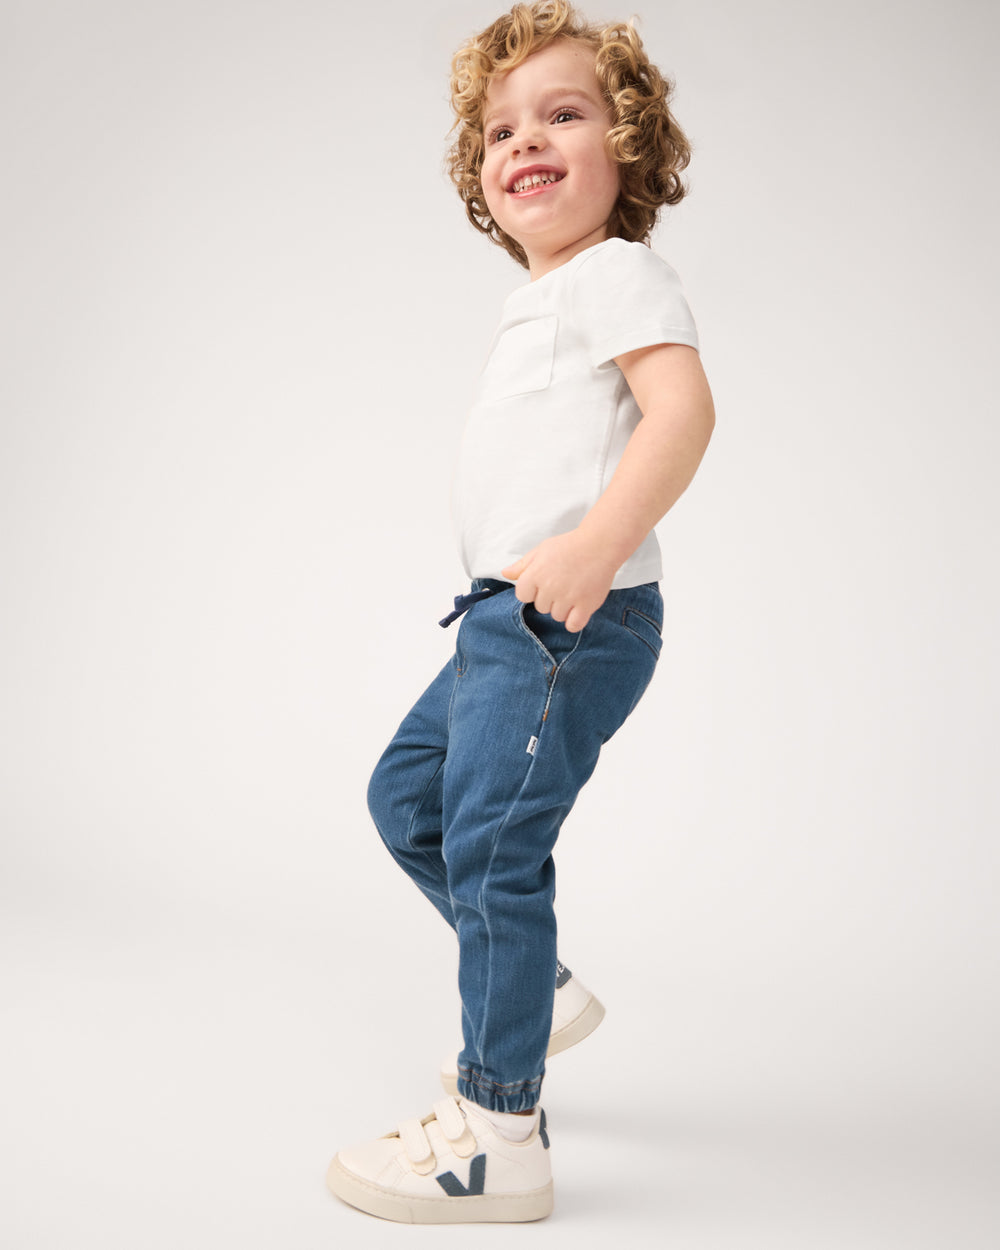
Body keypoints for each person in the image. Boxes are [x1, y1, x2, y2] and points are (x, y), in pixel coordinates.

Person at [326, 0, 715, 1224]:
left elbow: (684, 412)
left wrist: (597, 546)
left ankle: (498, 1133)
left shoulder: (615, 272)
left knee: (495, 845)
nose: (523, 141)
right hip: (502, 616)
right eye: (499, 130)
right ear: (479, 178)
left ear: (629, 147)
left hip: (567, 615)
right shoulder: (540, 300)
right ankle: (531, 988)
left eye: (563, 114)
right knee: (409, 797)